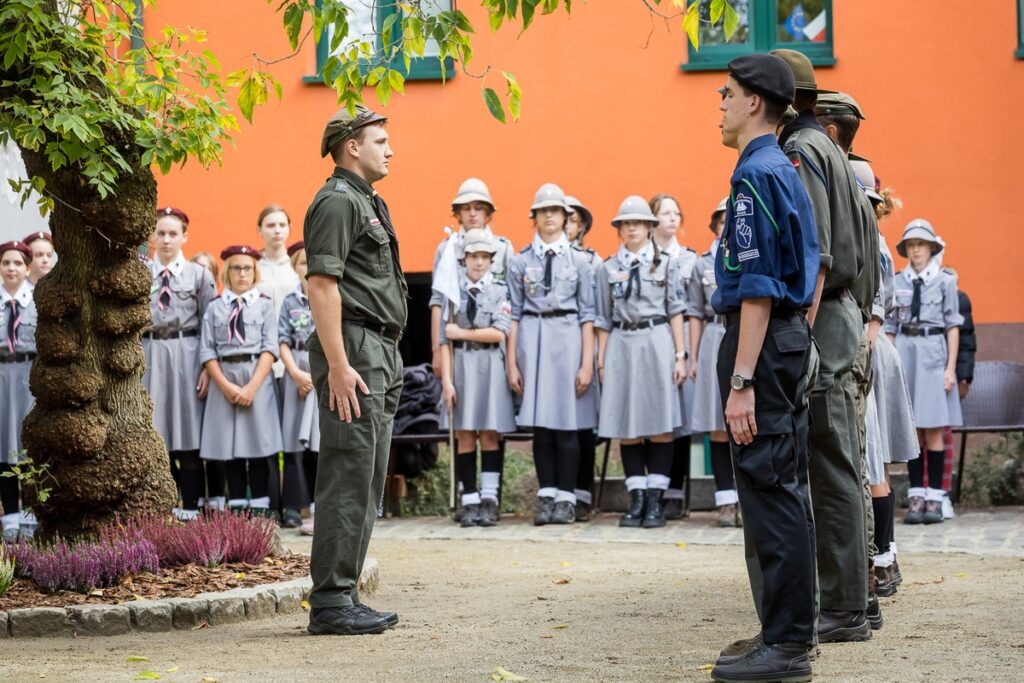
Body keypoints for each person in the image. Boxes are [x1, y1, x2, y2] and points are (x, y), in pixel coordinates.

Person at [708, 54, 819, 683]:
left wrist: (744, 380)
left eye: (726, 94)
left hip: (760, 343)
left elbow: (756, 286)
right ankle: (784, 629)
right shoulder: (782, 167)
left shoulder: (755, 173)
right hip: (782, 342)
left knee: (770, 489)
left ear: (754, 102)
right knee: (783, 486)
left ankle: (788, 646)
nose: (719, 104)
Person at [774, 49, 877, 643]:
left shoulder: (803, 151)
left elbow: (816, 251)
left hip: (823, 320)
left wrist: (803, 325)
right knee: (840, 461)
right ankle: (851, 599)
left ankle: (842, 604)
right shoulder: (835, 152)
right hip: (844, 318)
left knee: (830, 464)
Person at [303, 104, 406, 636]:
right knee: (348, 474)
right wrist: (339, 366)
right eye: (381, 140)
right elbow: (321, 284)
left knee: (366, 478)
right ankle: (331, 601)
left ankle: (344, 594)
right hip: (356, 351)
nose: (390, 149)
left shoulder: (367, 200)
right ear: (352, 147)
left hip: (378, 349)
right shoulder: (339, 202)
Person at [594, 196, 687, 529]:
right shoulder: (607, 268)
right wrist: (602, 361)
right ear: (620, 229)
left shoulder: (667, 264)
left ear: (650, 226)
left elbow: (676, 310)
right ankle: (635, 499)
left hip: (657, 340)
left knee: (660, 424)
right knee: (627, 427)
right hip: (621, 343)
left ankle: (655, 502)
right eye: (625, 223)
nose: (631, 228)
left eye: (638, 222)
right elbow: (603, 318)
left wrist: (680, 355)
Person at [507, 183, 596, 526]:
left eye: (555, 211)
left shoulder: (581, 262)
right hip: (533, 338)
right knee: (541, 427)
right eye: (542, 211)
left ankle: (567, 498)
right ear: (535, 218)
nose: (549, 217)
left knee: (568, 424)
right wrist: (512, 361)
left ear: (565, 217)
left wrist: (586, 363)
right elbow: (513, 313)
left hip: (568, 338)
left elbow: (588, 315)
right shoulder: (520, 261)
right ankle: (546, 496)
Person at [886, 220, 963, 525]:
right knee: (913, 428)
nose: (916, 250)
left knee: (933, 428)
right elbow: (890, 326)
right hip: (906, 351)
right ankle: (916, 494)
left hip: (932, 352)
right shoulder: (899, 281)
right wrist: (889, 365)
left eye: (921, 244)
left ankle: (935, 496)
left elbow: (952, 325)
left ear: (932, 248)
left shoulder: (944, 281)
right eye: (911, 245)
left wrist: (950, 368)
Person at [144, 207, 218, 519]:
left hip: (187, 354)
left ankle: (191, 506)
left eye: (173, 233)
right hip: (150, 353)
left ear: (184, 237)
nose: (166, 239)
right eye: (160, 233)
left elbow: (210, 323)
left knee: (187, 432)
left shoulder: (199, 276)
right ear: (151, 237)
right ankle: (163, 509)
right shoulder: (141, 274)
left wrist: (207, 368)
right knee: (155, 429)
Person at [439, 229, 516, 527]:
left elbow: (500, 331)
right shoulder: (452, 292)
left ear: (492, 261)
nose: (479, 262)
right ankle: (468, 498)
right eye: (474, 256)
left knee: (488, 433)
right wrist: (447, 381)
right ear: (464, 259)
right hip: (461, 367)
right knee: (465, 433)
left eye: (485, 257)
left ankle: (489, 498)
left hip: (490, 366)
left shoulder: (499, 291)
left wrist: (462, 333)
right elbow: (443, 340)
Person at [198, 245, 283, 515]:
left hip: (256, 378)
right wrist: (225, 385)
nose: (242, 273)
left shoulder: (265, 304)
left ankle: (259, 509)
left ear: (255, 271)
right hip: (225, 378)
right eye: (236, 268)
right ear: (227, 271)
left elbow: (271, 347)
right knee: (229, 446)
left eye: (248, 268)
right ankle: (236, 511)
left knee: (258, 444)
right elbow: (207, 350)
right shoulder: (215, 308)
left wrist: (252, 387)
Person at [687, 197, 742, 527]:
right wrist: (692, 357)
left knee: (744, 424)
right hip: (712, 336)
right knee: (717, 425)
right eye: (721, 221)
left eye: (730, 220)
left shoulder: (747, 256)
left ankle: (746, 499)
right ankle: (725, 500)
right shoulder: (701, 263)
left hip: (742, 335)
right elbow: (694, 311)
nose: (726, 225)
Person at [429, 178, 513, 379]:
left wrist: (513, 358)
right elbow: (438, 303)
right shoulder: (447, 249)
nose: (473, 213)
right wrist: (436, 352)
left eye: (478, 207)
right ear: (458, 213)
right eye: (466, 208)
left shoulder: (503, 248)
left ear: (488, 212)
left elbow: (512, 304)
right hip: (456, 349)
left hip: (495, 349)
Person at [649, 193, 699, 520]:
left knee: (681, 421)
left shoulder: (690, 260)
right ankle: (651, 487)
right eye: (665, 213)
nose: (672, 218)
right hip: (651, 342)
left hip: (680, 345)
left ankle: (675, 491)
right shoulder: (643, 258)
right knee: (654, 417)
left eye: (676, 213)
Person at [278, 241, 319, 533]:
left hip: (321, 378)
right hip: (296, 379)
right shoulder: (290, 302)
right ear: (295, 267)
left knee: (318, 444)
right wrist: (295, 374)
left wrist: (316, 377)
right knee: (292, 444)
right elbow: (282, 340)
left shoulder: (330, 295)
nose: (308, 267)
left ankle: (318, 506)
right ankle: (293, 505)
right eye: (303, 262)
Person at [566, 195, 601, 521]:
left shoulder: (592, 261)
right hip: (556, 346)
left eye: (573, 219)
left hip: (584, 345)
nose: (567, 225)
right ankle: (562, 493)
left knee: (583, 425)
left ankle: (583, 493)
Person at [0, 241, 36, 542]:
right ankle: (10, 516)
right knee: (3, 446)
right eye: (6, 263)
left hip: (28, 377)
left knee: (28, 445)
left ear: (28, 267)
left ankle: (31, 514)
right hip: (1, 376)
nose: (11, 268)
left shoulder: (37, 302)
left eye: (17, 263)